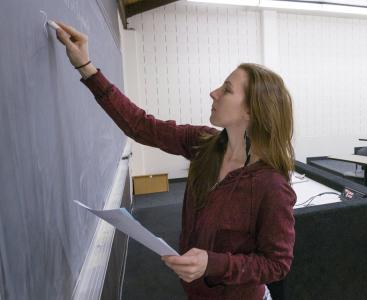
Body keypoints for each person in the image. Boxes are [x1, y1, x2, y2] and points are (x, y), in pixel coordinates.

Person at [54, 22, 295, 300]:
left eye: (227, 89)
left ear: (252, 111)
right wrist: (86, 66)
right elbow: (139, 125)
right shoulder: (204, 143)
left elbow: (277, 264)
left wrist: (212, 263)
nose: (214, 92)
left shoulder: (272, 186)